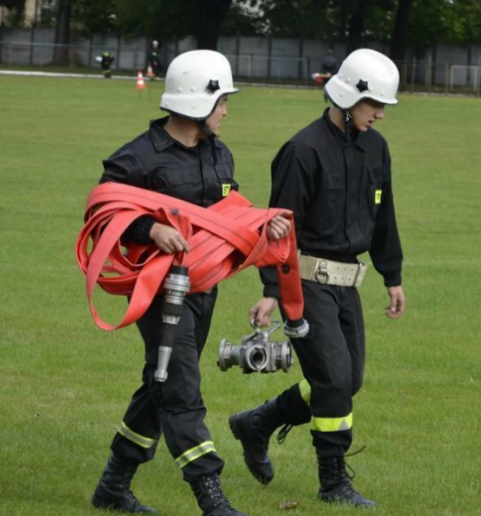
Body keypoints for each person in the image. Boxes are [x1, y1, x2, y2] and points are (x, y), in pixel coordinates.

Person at [90, 50, 291, 516]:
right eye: (222, 101)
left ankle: (112, 486)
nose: (227, 110)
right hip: (160, 295)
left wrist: (265, 231)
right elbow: (104, 213)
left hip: (203, 291)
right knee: (180, 386)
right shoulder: (136, 158)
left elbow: (234, 218)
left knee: (159, 382)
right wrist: (148, 230)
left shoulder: (220, 153)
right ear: (200, 103)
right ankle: (210, 496)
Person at [228, 48, 406, 508]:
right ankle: (333, 483)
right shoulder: (302, 150)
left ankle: (259, 422)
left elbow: (384, 216)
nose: (380, 115)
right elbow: (276, 227)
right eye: (374, 106)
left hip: (349, 283)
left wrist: (393, 275)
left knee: (349, 380)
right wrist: (271, 291)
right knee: (331, 382)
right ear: (348, 99)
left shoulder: (376, 148)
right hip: (303, 283)